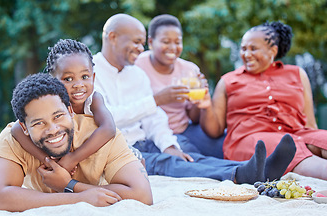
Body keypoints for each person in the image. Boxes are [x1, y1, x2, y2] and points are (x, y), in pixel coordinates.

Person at [92, 13, 297, 184]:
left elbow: (154, 118)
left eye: (141, 42)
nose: (140, 48)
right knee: (168, 163)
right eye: (136, 42)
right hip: (118, 149)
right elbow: (107, 120)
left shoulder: (136, 74)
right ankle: (238, 175)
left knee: (188, 157)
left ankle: (261, 169)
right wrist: (155, 100)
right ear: (113, 37)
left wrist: (170, 146)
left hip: (145, 140)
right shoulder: (90, 72)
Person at [0, 73, 153, 212]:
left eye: (58, 116)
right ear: (24, 127)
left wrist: (70, 185)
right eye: (38, 123)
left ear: (70, 111)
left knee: (137, 162)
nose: (52, 129)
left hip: (117, 155)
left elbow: (143, 195)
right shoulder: (13, 137)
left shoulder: (101, 136)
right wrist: (77, 198)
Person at [199, 21, 327, 180]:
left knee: (323, 140)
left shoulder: (297, 74)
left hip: (297, 132)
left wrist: (316, 141)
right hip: (250, 139)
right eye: (243, 48)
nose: (246, 54)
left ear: (273, 50)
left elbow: (310, 124)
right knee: (293, 152)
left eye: (253, 48)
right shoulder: (228, 81)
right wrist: (205, 106)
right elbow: (215, 130)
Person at [11, 39, 144, 173]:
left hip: (96, 151)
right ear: (52, 79)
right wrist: (49, 161)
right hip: (63, 152)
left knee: (138, 160)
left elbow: (108, 129)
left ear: (93, 76)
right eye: (68, 79)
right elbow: (17, 129)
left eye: (85, 76)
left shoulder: (94, 100)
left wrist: (73, 159)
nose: (79, 84)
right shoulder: (50, 103)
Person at [135, 14, 225, 158]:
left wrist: (199, 100)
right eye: (166, 41)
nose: (173, 47)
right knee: (191, 157)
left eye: (178, 42)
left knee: (224, 145)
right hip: (152, 135)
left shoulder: (189, 69)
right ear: (151, 42)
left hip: (184, 129)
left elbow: (194, 117)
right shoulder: (137, 66)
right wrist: (161, 98)